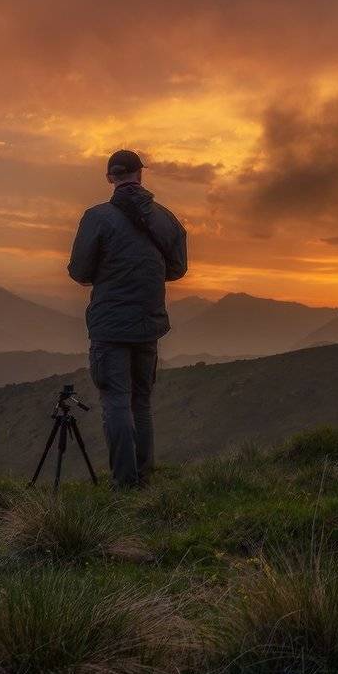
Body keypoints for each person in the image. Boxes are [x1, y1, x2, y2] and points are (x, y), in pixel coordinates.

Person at [67, 149, 188, 488]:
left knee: (116, 401)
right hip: (148, 323)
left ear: (110, 177)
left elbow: (79, 271)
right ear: (140, 174)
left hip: (109, 324)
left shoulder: (97, 218)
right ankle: (144, 476)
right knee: (142, 401)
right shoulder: (165, 219)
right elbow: (178, 268)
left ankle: (124, 483)